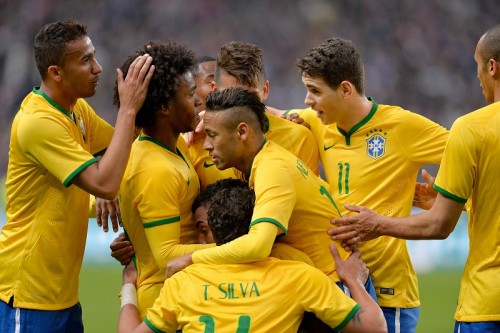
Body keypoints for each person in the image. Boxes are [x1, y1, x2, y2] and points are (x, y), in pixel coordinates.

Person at [329, 24, 500, 332]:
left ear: (492, 67)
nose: (477, 78)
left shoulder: (472, 128)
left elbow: (437, 226)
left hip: (489, 303)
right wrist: (459, 202)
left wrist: (376, 223)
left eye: (477, 66)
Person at [0, 20, 154, 332]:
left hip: (64, 297)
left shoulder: (76, 110)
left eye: (93, 56)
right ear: (55, 72)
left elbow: (122, 147)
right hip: (29, 297)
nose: (98, 68)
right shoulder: (37, 123)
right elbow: (105, 182)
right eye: (85, 60)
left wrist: (152, 91)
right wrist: (128, 109)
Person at [291, 37, 449, 333]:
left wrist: (450, 200)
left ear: (346, 90)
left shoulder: (403, 127)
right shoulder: (317, 121)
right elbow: (267, 118)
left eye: (314, 91)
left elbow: (473, 154)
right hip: (342, 286)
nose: (307, 101)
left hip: (390, 293)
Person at [118, 180, 387, 333]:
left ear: (216, 230)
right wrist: (351, 280)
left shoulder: (182, 283)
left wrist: (129, 285)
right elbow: (374, 329)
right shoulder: (298, 276)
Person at [115, 41, 214, 318]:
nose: (198, 100)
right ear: (163, 106)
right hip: (163, 299)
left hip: (182, 290)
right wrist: (234, 248)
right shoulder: (155, 168)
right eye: (191, 93)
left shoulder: (172, 145)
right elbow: (167, 255)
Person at [189, 41, 321, 189]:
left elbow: (307, 203)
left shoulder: (299, 138)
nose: (242, 106)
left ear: (265, 90)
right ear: (214, 90)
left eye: (250, 96)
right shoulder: (195, 141)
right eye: (231, 95)